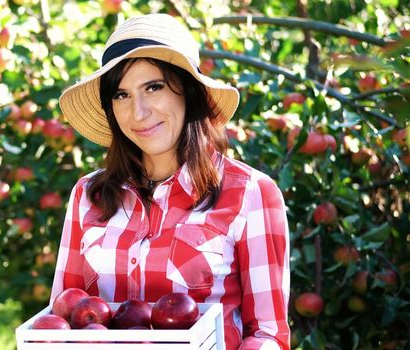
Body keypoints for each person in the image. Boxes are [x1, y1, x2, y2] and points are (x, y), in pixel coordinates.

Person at [50, 13, 290, 349]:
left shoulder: (250, 193)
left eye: (154, 87)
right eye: (121, 95)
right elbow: (66, 316)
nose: (139, 112)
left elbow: (267, 334)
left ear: (188, 92)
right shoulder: (88, 196)